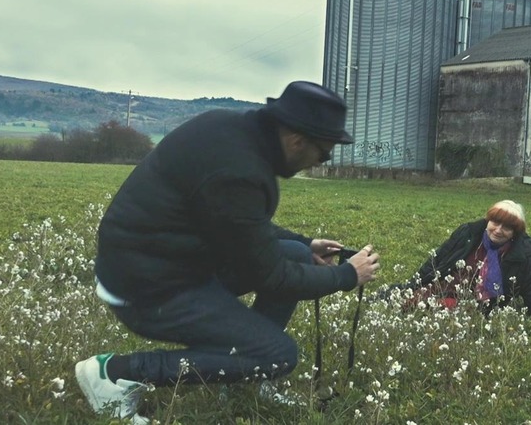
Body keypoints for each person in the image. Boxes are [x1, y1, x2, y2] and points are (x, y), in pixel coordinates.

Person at [74, 81, 381, 424]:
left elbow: (235, 224)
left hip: (161, 263)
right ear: (297, 141)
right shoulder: (240, 170)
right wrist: (346, 275)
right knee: (279, 353)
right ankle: (115, 373)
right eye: (323, 153)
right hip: (146, 287)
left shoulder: (232, 132)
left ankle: (241, 380)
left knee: (294, 252)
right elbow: (271, 276)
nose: (320, 162)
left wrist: (306, 242)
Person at [385, 200, 531, 322]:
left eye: (507, 227)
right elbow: (437, 260)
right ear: (488, 220)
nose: (498, 230)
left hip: (475, 304)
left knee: (453, 312)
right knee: (401, 298)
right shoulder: (468, 234)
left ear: (515, 233)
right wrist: (414, 285)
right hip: (444, 287)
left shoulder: (523, 256)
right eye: (495, 222)